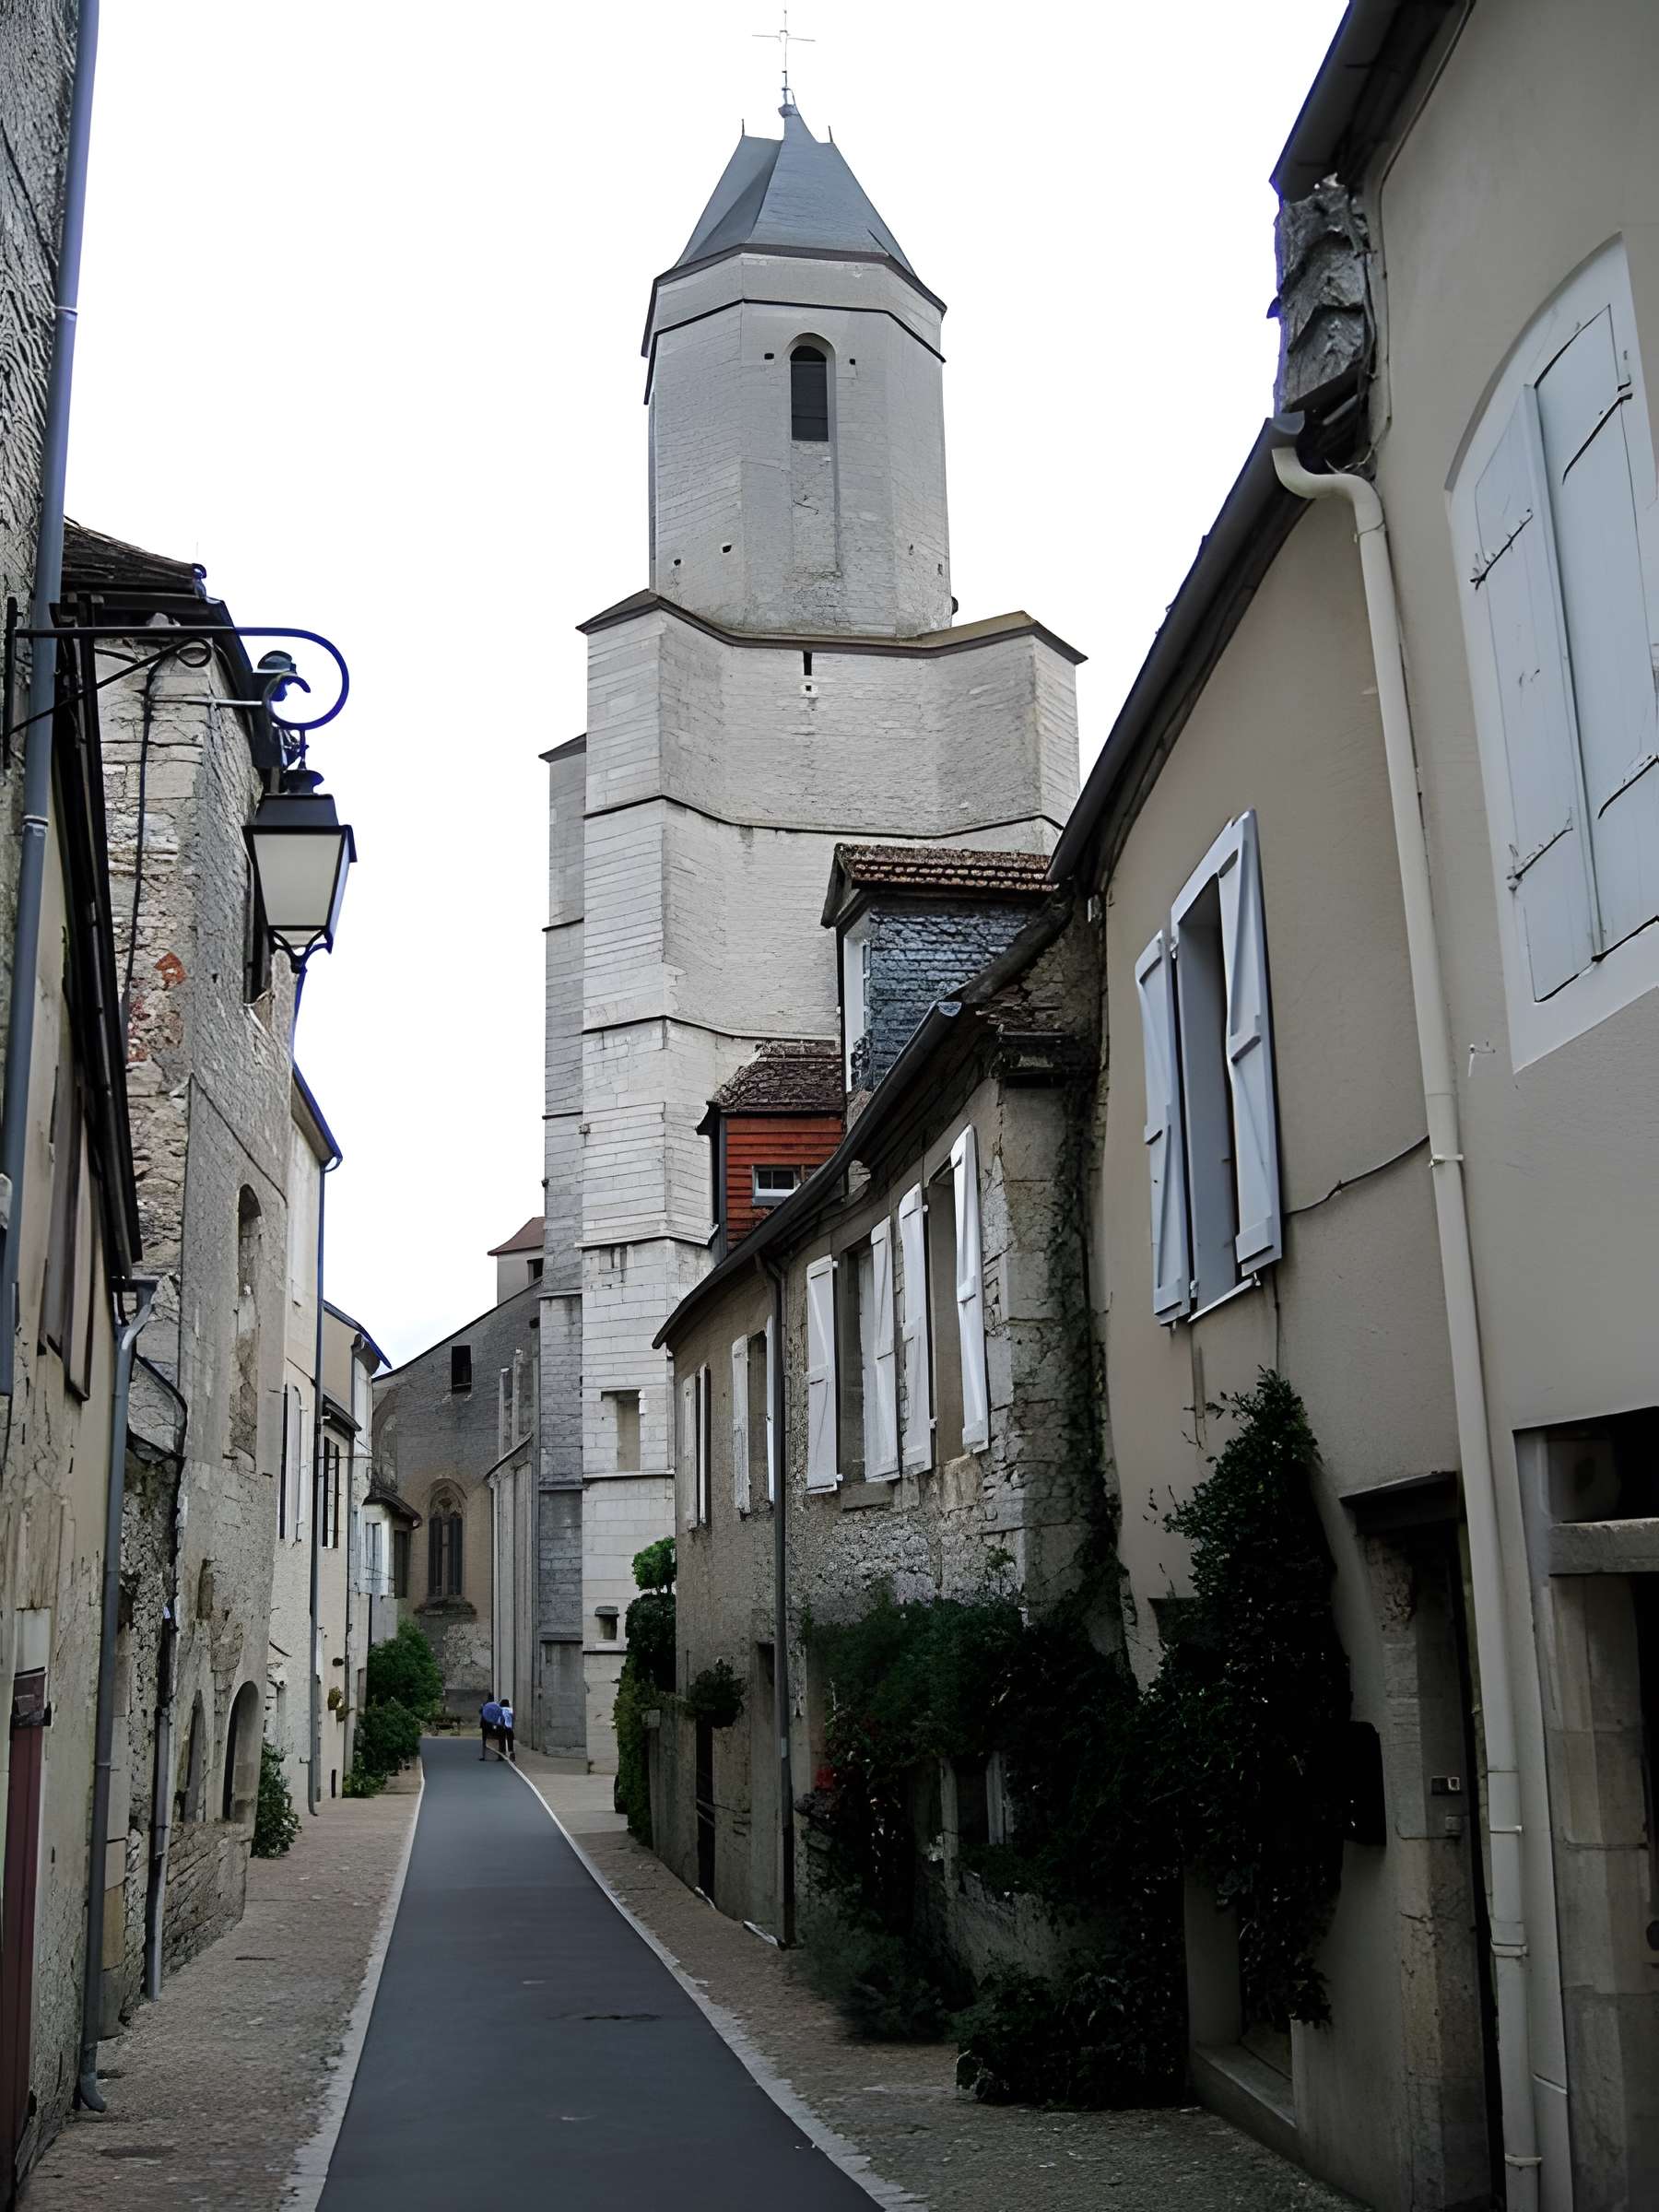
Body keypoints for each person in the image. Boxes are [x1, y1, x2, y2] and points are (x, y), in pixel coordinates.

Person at [479, 1692, 501, 1759]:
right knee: (497, 1739)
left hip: (485, 1724)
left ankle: (484, 1756)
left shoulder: (484, 1704)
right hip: (493, 1724)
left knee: (484, 1740)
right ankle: (499, 1756)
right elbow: (499, 1713)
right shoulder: (496, 1705)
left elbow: (480, 1712)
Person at [498, 1695, 515, 1763]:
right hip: (509, 1727)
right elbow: (513, 1718)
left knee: (501, 1740)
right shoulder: (511, 1710)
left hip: (501, 1726)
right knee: (510, 1740)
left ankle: (502, 1755)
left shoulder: (499, 1709)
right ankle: (511, 1754)